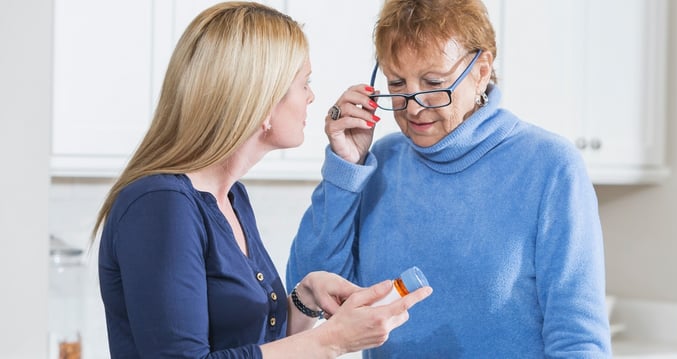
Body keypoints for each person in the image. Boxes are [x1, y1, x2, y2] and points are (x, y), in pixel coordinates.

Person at [91, 2, 431, 358]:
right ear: (263, 100)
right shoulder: (160, 205)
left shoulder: (231, 197)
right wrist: (332, 340)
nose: (312, 96)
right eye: (305, 83)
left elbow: (255, 346)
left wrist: (305, 299)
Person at [286, 0, 612, 357]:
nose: (413, 106)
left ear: (482, 70)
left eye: (432, 82)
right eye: (397, 83)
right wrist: (344, 171)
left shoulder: (550, 166)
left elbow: (578, 337)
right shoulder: (379, 162)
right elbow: (308, 292)